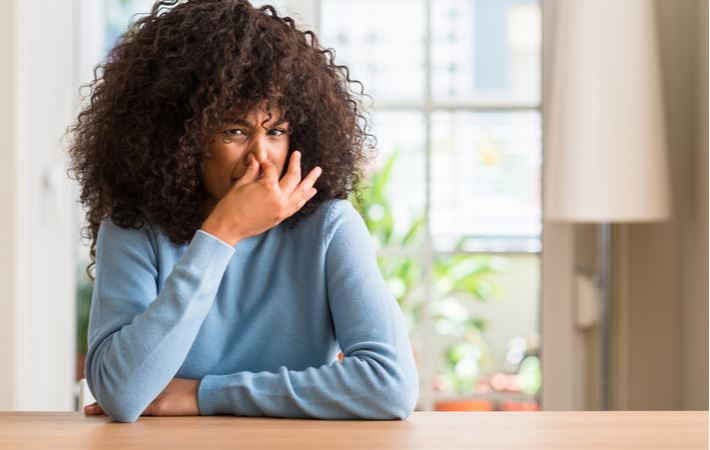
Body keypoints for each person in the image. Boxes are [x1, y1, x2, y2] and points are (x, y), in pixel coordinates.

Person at [67, 0, 419, 423]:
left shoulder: (330, 227)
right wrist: (220, 236)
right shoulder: (134, 229)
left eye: (276, 132)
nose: (262, 158)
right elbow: (124, 395)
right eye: (235, 130)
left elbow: (390, 387)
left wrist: (203, 395)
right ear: (180, 139)